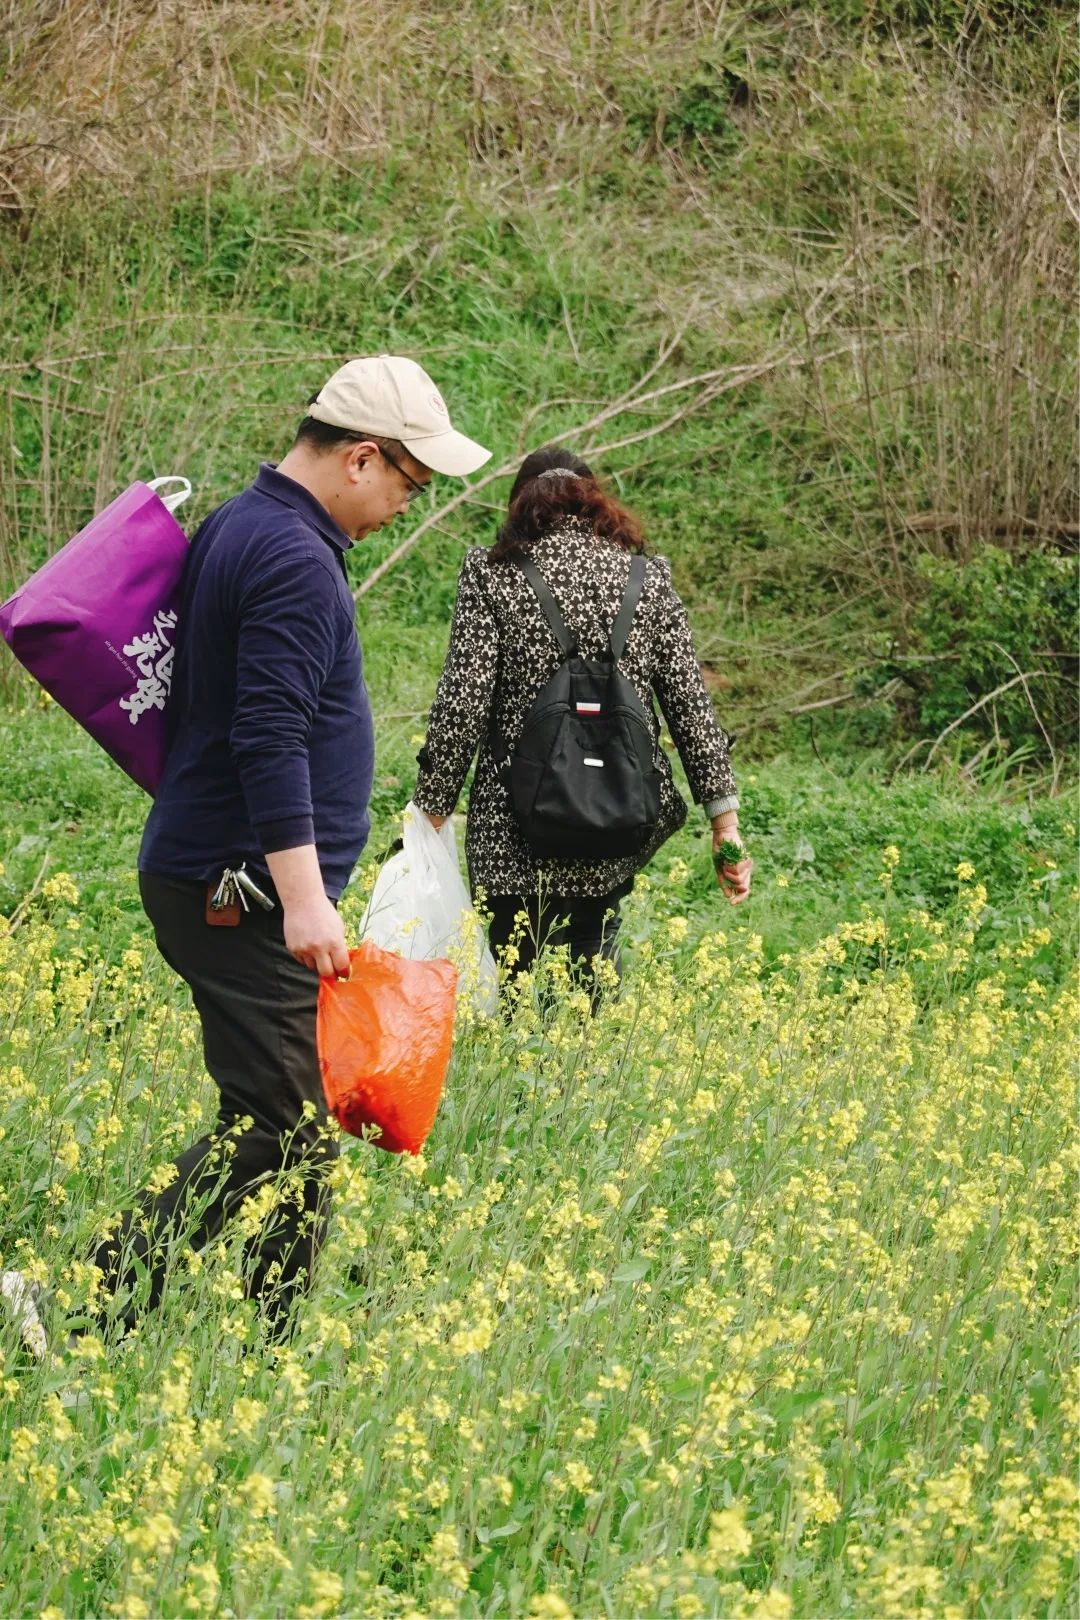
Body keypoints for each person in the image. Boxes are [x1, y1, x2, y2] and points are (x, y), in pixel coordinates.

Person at [86, 355, 490, 1338]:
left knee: (291, 1125)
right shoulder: (294, 560)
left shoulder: (245, 520)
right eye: (410, 481)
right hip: (240, 888)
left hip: (223, 871)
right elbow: (268, 736)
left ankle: (274, 1346)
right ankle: (85, 1302)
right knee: (283, 1124)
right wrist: (305, 900)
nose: (407, 503)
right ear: (362, 458)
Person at [413, 445, 751, 992]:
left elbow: (463, 701)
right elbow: (691, 708)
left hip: (513, 827)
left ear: (520, 505)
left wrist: (431, 812)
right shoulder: (646, 578)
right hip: (613, 817)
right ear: (595, 502)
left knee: (514, 988)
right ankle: (585, 1046)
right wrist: (725, 830)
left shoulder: (492, 573)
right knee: (591, 979)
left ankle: (518, 1046)